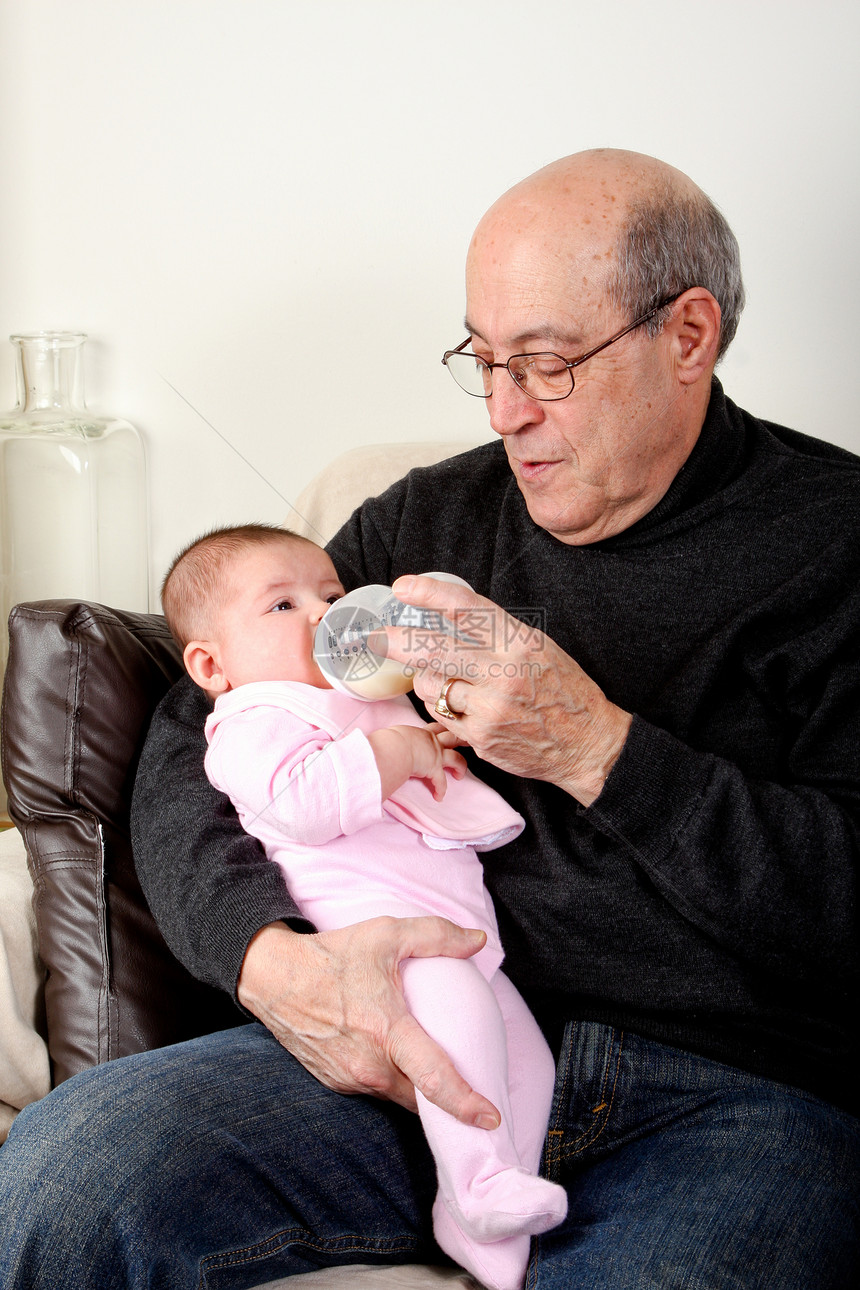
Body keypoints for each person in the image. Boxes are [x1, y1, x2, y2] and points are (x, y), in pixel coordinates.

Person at [1, 147, 858, 1289]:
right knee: (65, 1176)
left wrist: (596, 747)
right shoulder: (426, 518)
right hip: (415, 1049)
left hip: (731, 1101)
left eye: (546, 364)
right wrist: (266, 964)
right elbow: (189, 737)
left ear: (688, 335)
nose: (506, 412)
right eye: (484, 359)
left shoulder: (832, 547)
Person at [161, 522, 567, 1290]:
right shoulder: (252, 720)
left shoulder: (360, 698)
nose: (320, 614)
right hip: (384, 940)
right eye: (282, 606)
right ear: (212, 665)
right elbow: (302, 803)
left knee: (527, 1064)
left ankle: (481, 1215)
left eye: (331, 595)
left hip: (458, 933)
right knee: (465, 1040)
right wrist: (397, 754)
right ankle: (480, 1185)